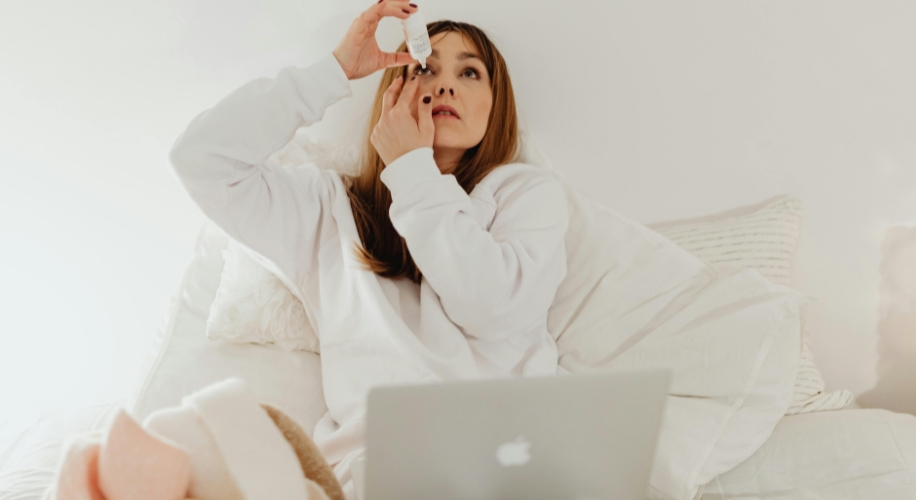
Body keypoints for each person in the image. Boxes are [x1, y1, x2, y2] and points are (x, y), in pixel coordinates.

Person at [168, 1, 569, 497]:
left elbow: (492, 307)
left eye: (470, 72)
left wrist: (413, 170)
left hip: (502, 464)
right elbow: (202, 160)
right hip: (373, 475)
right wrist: (332, 72)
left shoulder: (526, 195)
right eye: (425, 68)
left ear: (497, 104)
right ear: (395, 89)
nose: (444, 85)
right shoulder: (330, 207)